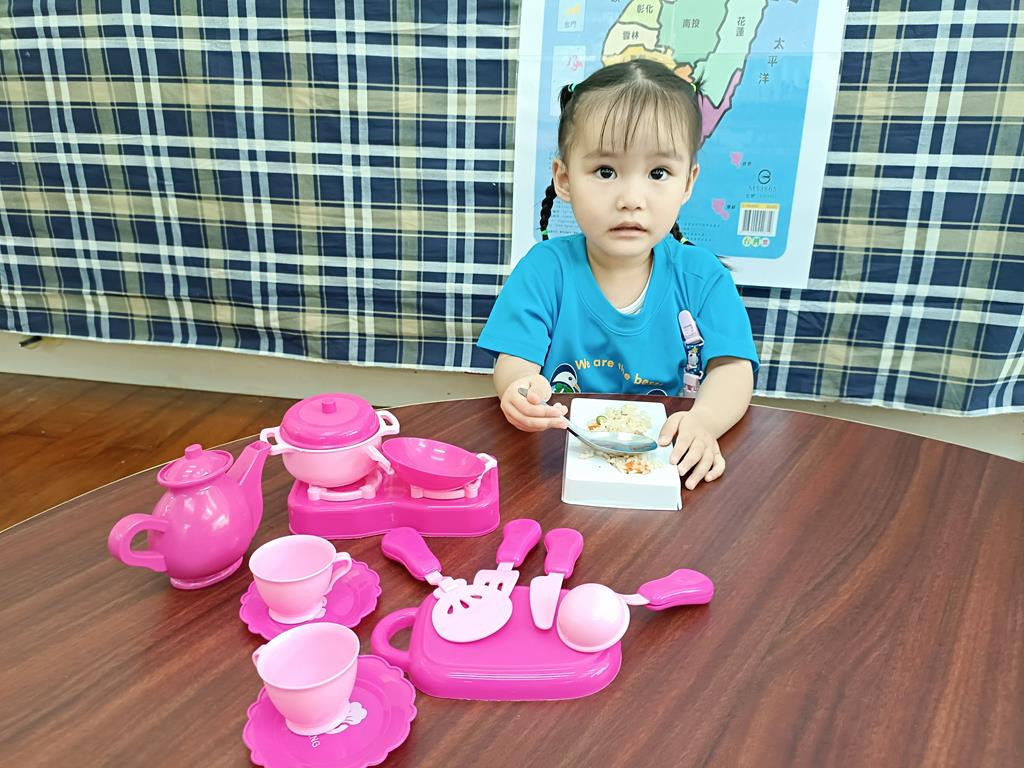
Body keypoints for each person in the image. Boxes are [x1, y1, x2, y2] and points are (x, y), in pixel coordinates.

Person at [476, 58, 759, 490]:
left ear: (687, 183)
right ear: (564, 179)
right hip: (558, 466)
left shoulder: (703, 277)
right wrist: (520, 391)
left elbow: (733, 369)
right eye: (605, 172)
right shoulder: (543, 270)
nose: (631, 198)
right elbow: (515, 363)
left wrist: (704, 420)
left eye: (658, 173)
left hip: (664, 465)